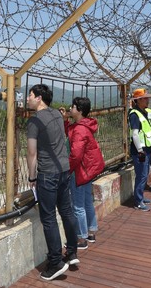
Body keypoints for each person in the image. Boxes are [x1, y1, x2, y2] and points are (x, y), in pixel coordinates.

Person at [26, 84, 79, 281]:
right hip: (64, 170)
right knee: (66, 211)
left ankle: (56, 261)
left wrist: (32, 177)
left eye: (30, 95)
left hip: (48, 173)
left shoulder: (34, 121)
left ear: (39, 98)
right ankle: (72, 252)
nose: (28, 99)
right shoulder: (57, 114)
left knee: (48, 218)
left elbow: (32, 152)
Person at [60, 97, 105, 251]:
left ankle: (81, 238)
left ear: (79, 110)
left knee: (77, 206)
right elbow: (70, 134)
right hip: (87, 171)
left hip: (79, 172)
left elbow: (76, 154)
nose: (70, 109)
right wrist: (65, 120)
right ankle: (91, 231)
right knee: (87, 202)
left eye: (72, 107)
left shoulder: (80, 129)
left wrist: (68, 169)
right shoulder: (83, 126)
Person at [128, 88, 151, 211]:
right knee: (141, 175)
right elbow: (135, 134)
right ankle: (138, 201)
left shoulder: (145, 112)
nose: (147, 100)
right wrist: (140, 150)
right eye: (145, 98)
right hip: (140, 151)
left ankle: (140, 197)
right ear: (138, 100)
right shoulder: (134, 115)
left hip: (147, 149)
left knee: (144, 174)